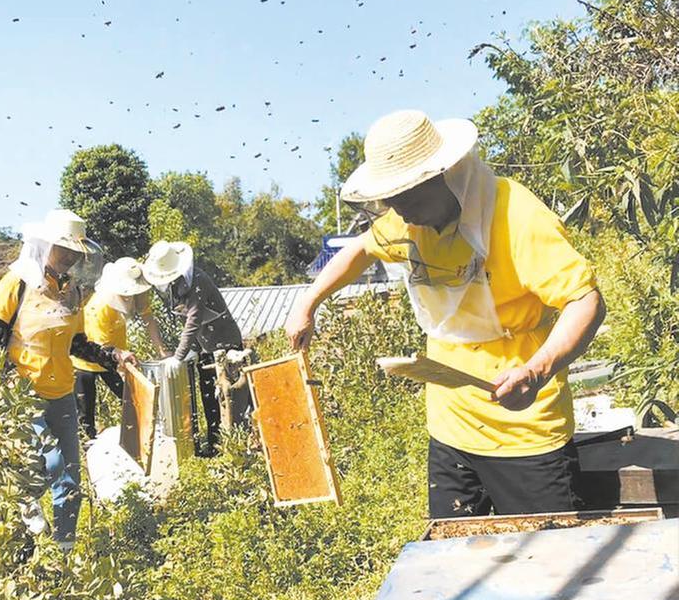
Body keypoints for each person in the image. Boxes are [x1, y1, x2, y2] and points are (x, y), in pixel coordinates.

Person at [286, 109, 606, 519]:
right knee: (453, 567)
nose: (400, 214)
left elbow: (586, 301)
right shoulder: (408, 221)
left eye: (408, 199)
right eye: (392, 201)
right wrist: (307, 303)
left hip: (525, 432)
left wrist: (536, 370)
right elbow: (362, 248)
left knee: (547, 570)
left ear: (444, 175)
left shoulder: (516, 215)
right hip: (450, 432)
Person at [0, 209, 137, 552]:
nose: (68, 257)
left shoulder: (71, 292)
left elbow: (78, 344)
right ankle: (23, 528)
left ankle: (62, 555)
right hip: (23, 394)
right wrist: (4, 382)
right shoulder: (17, 283)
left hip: (62, 394)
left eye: (74, 253)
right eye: (62, 249)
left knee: (70, 481)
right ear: (44, 244)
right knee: (48, 464)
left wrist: (115, 356)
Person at [142, 241, 243, 452]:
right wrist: (193, 349)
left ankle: (237, 445)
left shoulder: (198, 280)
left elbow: (193, 319)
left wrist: (178, 356)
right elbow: (184, 318)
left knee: (229, 396)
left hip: (226, 344)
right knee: (209, 395)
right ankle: (216, 444)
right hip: (205, 347)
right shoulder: (174, 286)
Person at [72, 256, 167, 440]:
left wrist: (161, 349)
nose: (130, 297)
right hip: (88, 360)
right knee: (85, 415)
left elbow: (147, 317)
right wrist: (125, 369)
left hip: (116, 357)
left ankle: (145, 440)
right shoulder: (99, 308)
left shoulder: (135, 293)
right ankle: (87, 451)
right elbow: (102, 351)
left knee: (133, 401)